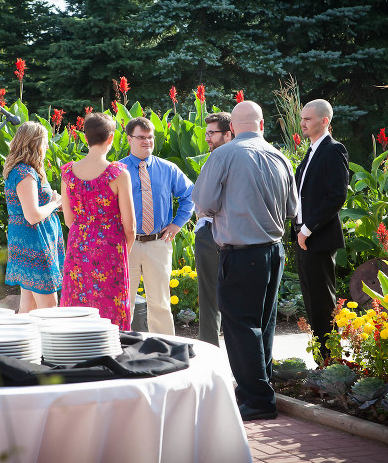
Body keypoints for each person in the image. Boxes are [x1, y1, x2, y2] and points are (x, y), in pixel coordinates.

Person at [193, 100, 298, 421]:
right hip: (273, 250)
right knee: (263, 325)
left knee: (240, 326)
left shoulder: (223, 155)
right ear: (262, 124)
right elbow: (293, 209)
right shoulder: (279, 156)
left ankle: (257, 400)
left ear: (233, 128)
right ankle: (256, 392)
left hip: (241, 252)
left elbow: (205, 202)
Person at [59, 113, 136, 329]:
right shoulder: (118, 173)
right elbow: (129, 224)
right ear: (110, 138)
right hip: (110, 247)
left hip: (78, 244)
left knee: (77, 303)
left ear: (85, 138)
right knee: (109, 306)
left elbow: (69, 219)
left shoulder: (67, 173)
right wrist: (123, 249)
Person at [120, 117, 194, 335]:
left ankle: (165, 348)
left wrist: (177, 224)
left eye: (150, 137)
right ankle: (120, 347)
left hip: (158, 243)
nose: (147, 141)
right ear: (129, 139)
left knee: (160, 303)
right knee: (124, 302)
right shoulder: (117, 170)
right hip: (127, 244)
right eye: (141, 137)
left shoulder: (168, 169)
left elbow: (190, 195)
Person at [292, 99, 349, 361]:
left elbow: (336, 196)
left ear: (324, 121)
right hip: (304, 238)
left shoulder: (333, 150)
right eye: (302, 118)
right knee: (313, 303)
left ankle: (331, 361)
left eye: (308, 119)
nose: (302, 123)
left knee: (323, 303)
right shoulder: (311, 151)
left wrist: (308, 229)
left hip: (318, 238)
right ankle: (322, 361)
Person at [3, 121, 65, 313]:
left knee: (28, 306)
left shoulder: (26, 170)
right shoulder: (25, 173)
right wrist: (55, 203)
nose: (47, 147)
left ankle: (18, 343)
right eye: (45, 142)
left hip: (33, 240)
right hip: (34, 243)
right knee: (49, 306)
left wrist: (55, 206)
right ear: (34, 143)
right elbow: (32, 215)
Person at [194, 111, 234, 346]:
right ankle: (210, 350)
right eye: (206, 133)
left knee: (216, 297)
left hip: (218, 233)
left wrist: (204, 208)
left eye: (212, 133)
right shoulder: (213, 157)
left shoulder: (226, 159)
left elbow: (206, 201)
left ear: (228, 134)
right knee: (208, 296)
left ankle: (223, 351)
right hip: (209, 231)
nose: (207, 138)